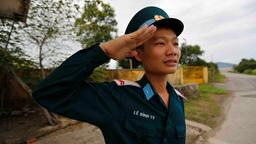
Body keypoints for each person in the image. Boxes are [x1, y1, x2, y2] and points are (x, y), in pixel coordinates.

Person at [32, 6, 186, 144]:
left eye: (175, 43)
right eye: (160, 43)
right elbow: (48, 93)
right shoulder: (117, 98)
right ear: (138, 54)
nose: (172, 51)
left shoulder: (178, 100)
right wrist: (104, 51)